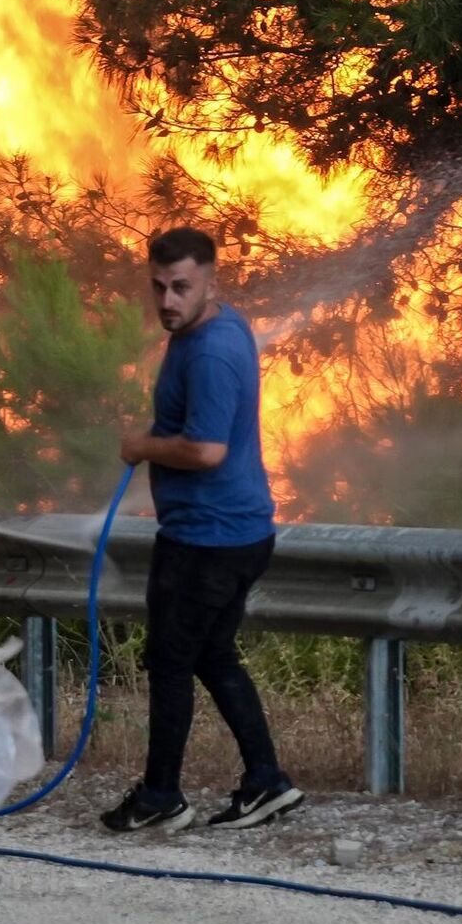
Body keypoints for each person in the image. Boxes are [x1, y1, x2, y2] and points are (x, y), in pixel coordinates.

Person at [103, 227, 303, 835]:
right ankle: (267, 781)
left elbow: (207, 450)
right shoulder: (215, 327)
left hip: (207, 539)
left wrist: (143, 446)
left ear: (211, 282)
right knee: (212, 656)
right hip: (237, 531)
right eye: (159, 286)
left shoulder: (211, 353)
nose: (168, 300)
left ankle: (162, 795)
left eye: (181, 287)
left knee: (170, 662)